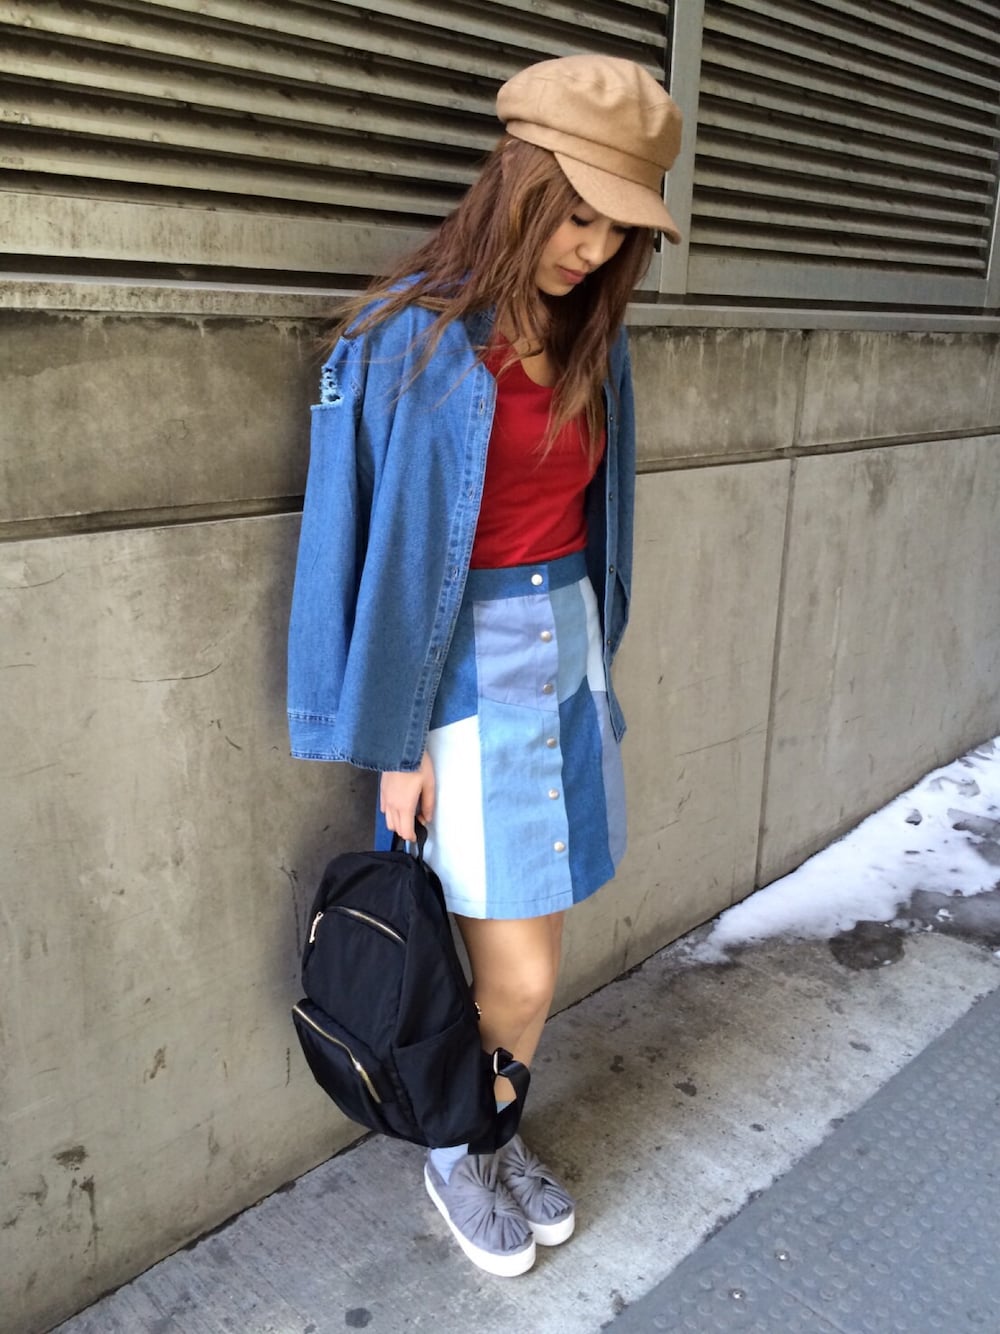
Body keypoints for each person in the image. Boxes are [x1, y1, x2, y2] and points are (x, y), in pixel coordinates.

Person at [287, 54, 683, 1276]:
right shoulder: (408, 338)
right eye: (576, 215)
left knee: (536, 949)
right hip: (458, 674)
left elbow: (591, 518)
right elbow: (356, 548)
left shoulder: (591, 336)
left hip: (566, 653)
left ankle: (493, 1130)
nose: (592, 248)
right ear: (518, 185)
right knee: (522, 964)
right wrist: (391, 741)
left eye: (619, 230)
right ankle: (461, 1147)